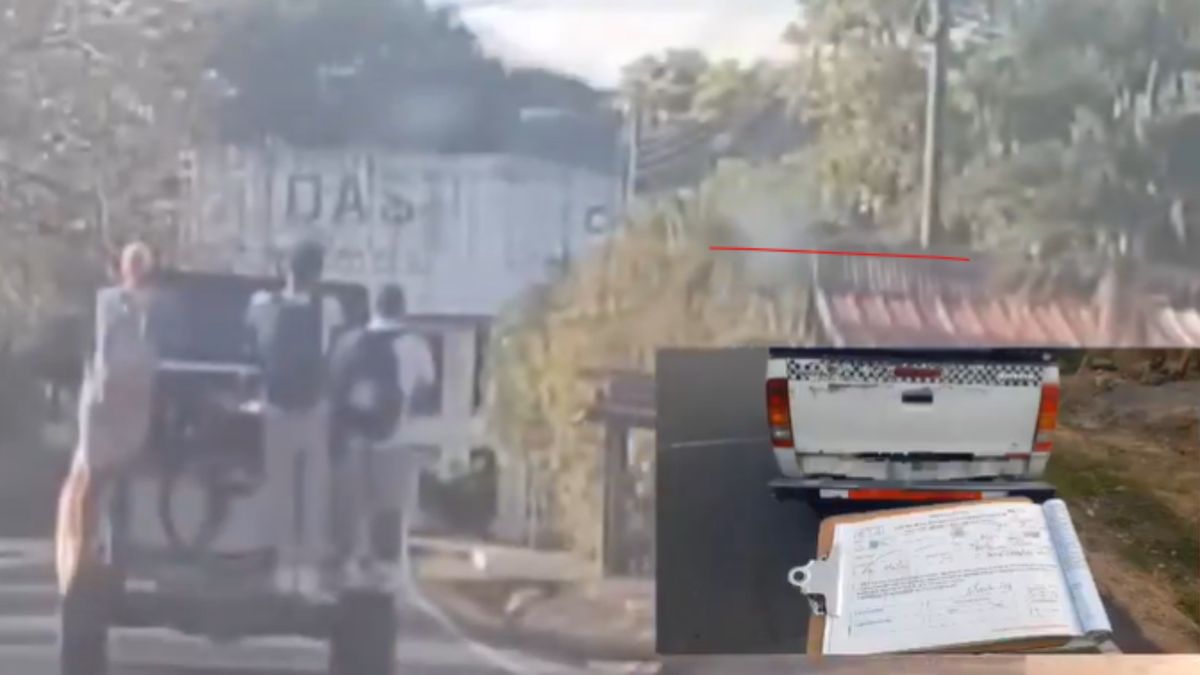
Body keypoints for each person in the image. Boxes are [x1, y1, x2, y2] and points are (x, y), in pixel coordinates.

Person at [56, 242, 161, 596]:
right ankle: (85, 556)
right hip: (103, 404)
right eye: (132, 263)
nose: (136, 270)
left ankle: (117, 552)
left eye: (141, 264)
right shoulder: (107, 302)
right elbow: (97, 351)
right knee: (91, 479)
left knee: (125, 483)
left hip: (134, 404)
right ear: (123, 268)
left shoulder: (158, 305)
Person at [327, 283, 434, 584]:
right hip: (394, 437)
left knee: (351, 507)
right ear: (402, 309)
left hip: (352, 438)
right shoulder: (414, 345)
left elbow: (333, 388)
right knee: (388, 507)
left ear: (374, 308)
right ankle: (384, 573)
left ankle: (346, 566)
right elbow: (424, 392)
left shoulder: (348, 342)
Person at [244, 240, 333, 594]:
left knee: (280, 490)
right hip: (313, 409)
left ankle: (283, 567)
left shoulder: (262, 304)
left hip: (275, 408)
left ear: (287, 271)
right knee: (310, 492)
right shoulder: (328, 308)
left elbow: (253, 343)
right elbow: (331, 354)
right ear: (318, 274)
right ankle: (307, 570)